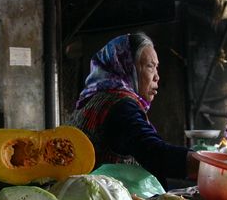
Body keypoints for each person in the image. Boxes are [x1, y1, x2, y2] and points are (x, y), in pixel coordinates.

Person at [69, 32, 198, 186]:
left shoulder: (94, 98)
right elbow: (155, 153)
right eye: (150, 66)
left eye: (156, 67)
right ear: (126, 66)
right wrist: (212, 164)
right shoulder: (121, 105)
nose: (157, 77)